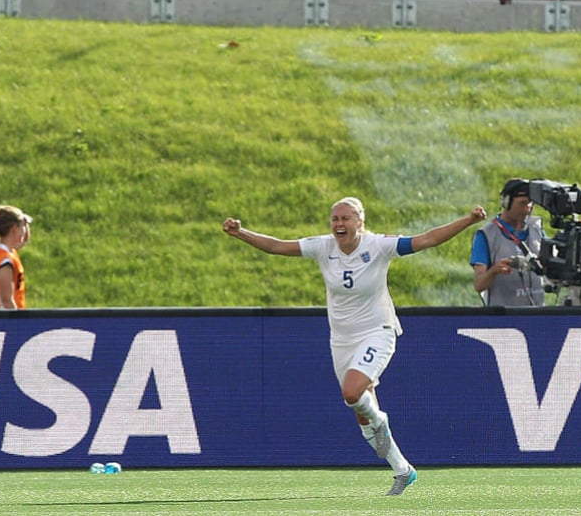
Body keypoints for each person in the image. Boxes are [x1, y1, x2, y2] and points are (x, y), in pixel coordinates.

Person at [222, 197, 486, 496]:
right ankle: (402, 470)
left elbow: (426, 239)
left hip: (378, 331)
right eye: (335, 219)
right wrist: (241, 233)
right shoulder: (323, 247)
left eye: (345, 218)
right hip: (342, 339)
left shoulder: (378, 246)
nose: (339, 224)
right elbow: (277, 246)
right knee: (360, 412)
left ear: (360, 222)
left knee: (353, 392)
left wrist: (468, 220)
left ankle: (380, 421)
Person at [469, 178, 546, 306]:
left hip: (537, 314)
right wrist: (494, 270)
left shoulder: (537, 229)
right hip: (503, 318)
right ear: (506, 202)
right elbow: (479, 284)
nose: (527, 209)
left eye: (530, 204)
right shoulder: (486, 235)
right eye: (522, 203)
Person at [0, 205, 33, 309]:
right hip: (1, 322)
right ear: (14, 228)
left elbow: (24, 241)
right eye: (22, 226)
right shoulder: (5, 261)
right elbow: (7, 301)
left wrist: (25, 223)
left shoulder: (5, 252)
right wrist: (17, 323)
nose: (24, 230)